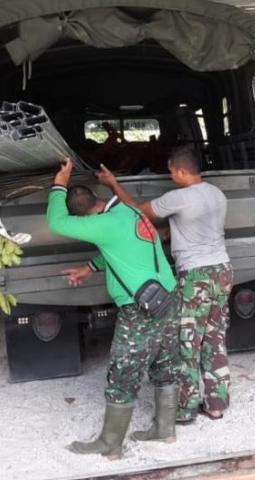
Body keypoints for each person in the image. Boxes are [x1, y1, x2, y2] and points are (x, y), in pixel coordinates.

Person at [47, 159, 180, 458]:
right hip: (168, 297)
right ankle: (164, 429)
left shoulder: (100, 226)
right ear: (97, 201)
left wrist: (59, 182)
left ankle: (110, 443)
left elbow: (56, 222)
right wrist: (90, 266)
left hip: (140, 307)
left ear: (81, 217)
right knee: (165, 363)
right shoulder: (127, 210)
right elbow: (121, 249)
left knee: (123, 372)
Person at [98, 145, 233, 423]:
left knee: (187, 341)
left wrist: (114, 184)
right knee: (214, 337)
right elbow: (191, 227)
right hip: (223, 270)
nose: (170, 175)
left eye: (171, 171)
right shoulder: (217, 194)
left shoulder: (179, 198)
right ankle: (216, 403)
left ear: (182, 171)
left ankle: (184, 408)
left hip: (195, 275)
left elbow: (136, 213)